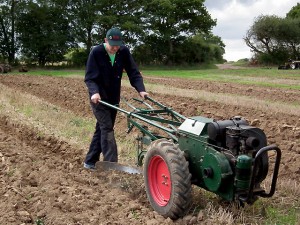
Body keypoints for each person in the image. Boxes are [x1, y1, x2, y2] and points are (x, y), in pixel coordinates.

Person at [83, 27, 148, 170]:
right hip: (98, 98)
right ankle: (111, 167)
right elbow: (89, 78)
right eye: (112, 45)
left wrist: (141, 90)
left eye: (118, 46)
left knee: (102, 128)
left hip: (113, 97)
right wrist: (94, 92)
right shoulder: (97, 52)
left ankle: (89, 162)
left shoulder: (123, 52)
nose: (115, 48)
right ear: (106, 40)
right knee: (107, 129)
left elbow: (133, 72)